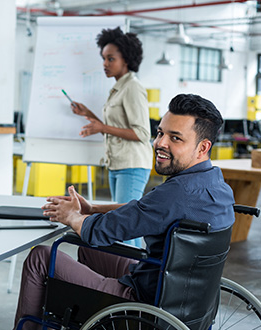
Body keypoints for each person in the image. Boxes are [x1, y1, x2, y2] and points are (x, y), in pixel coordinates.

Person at [13, 94, 235, 330]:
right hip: (183, 300)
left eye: (175, 138)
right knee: (92, 253)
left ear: (203, 147)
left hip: (145, 305)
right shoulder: (217, 186)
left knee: (42, 257)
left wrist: (71, 216)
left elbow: (98, 231)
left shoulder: (176, 193)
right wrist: (93, 208)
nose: (160, 143)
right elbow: (149, 210)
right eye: (160, 133)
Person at [70, 27, 153, 247]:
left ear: (126, 59)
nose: (105, 64)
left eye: (110, 58)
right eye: (103, 59)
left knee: (128, 225)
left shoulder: (132, 88)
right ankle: (128, 274)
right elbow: (114, 125)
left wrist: (101, 128)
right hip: (118, 163)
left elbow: (143, 133)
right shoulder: (119, 87)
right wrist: (88, 114)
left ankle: (132, 275)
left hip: (132, 164)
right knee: (124, 221)